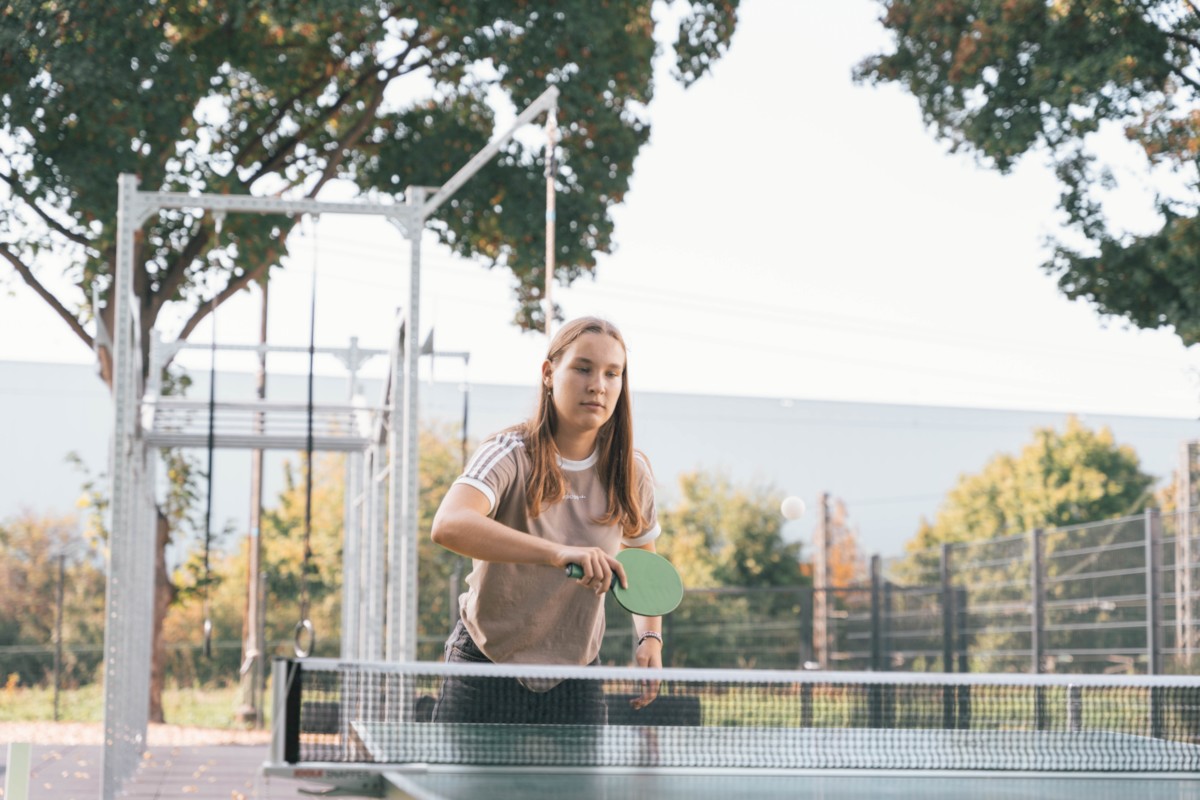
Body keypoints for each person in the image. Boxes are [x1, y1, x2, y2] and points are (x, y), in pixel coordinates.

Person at [429, 316, 662, 725]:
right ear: (549, 373)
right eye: (583, 368)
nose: (598, 385)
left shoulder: (631, 472)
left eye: (613, 373)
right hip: (485, 662)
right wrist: (557, 553)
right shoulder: (509, 452)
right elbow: (449, 523)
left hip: (576, 673)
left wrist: (650, 637)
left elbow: (643, 564)